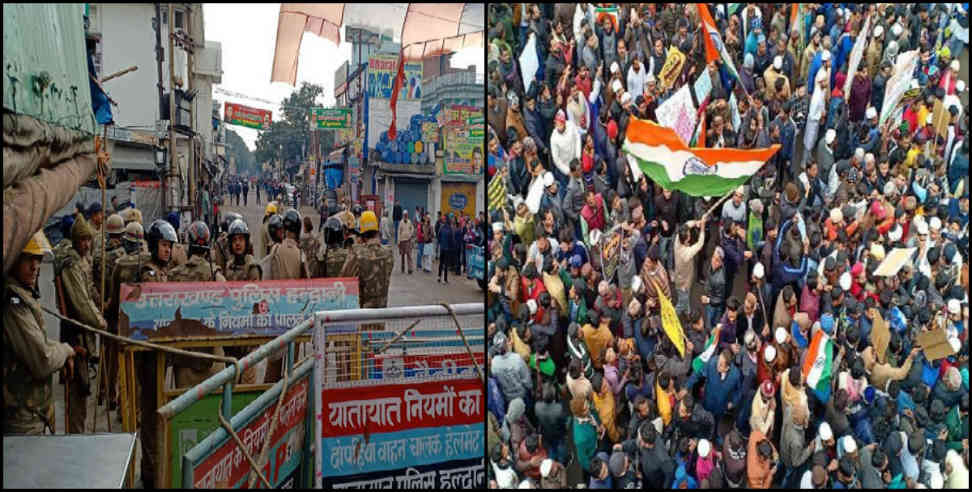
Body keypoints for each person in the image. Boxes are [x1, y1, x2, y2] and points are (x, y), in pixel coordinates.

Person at [4, 231, 81, 435]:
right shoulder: (13, 303)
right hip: (22, 419)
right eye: (28, 258)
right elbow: (43, 360)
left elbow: (41, 343)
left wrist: (63, 351)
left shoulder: (23, 295)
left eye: (37, 259)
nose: (35, 266)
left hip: (33, 413)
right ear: (14, 260)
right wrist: (65, 351)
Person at [53, 216, 108, 434]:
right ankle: (76, 440)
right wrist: (100, 322)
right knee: (77, 392)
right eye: (83, 240)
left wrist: (101, 305)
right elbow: (82, 303)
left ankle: (78, 435)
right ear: (75, 240)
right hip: (76, 335)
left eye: (89, 240)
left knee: (83, 392)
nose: (87, 244)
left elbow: (89, 291)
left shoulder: (80, 261)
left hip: (81, 332)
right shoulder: (71, 264)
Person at [340, 210, 394, 308]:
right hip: (382, 313)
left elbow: (344, 276)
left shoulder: (357, 254)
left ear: (362, 234)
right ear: (377, 231)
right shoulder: (388, 253)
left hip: (363, 314)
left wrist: (355, 246)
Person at [397, 210, 414, 274]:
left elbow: (412, 228)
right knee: (402, 256)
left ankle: (410, 269)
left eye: (406, 214)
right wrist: (398, 241)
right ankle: (403, 268)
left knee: (409, 255)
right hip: (402, 241)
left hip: (408, 240)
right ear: (403, 215)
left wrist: (410, 234)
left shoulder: (409, 221)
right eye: (404, 214)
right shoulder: (401, 222)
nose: (405, 215)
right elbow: (399, 232)